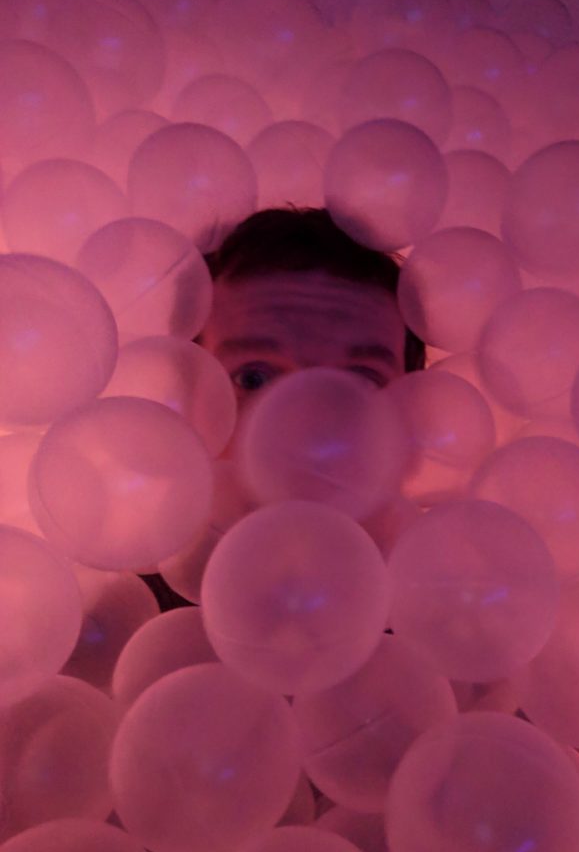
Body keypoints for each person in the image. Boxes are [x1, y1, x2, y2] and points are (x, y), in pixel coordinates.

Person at [140, 206, 426, 612]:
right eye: (255, 378)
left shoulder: (456, 637)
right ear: (186, 405)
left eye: (361, 382)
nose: (308, 428)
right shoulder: (110, 629)